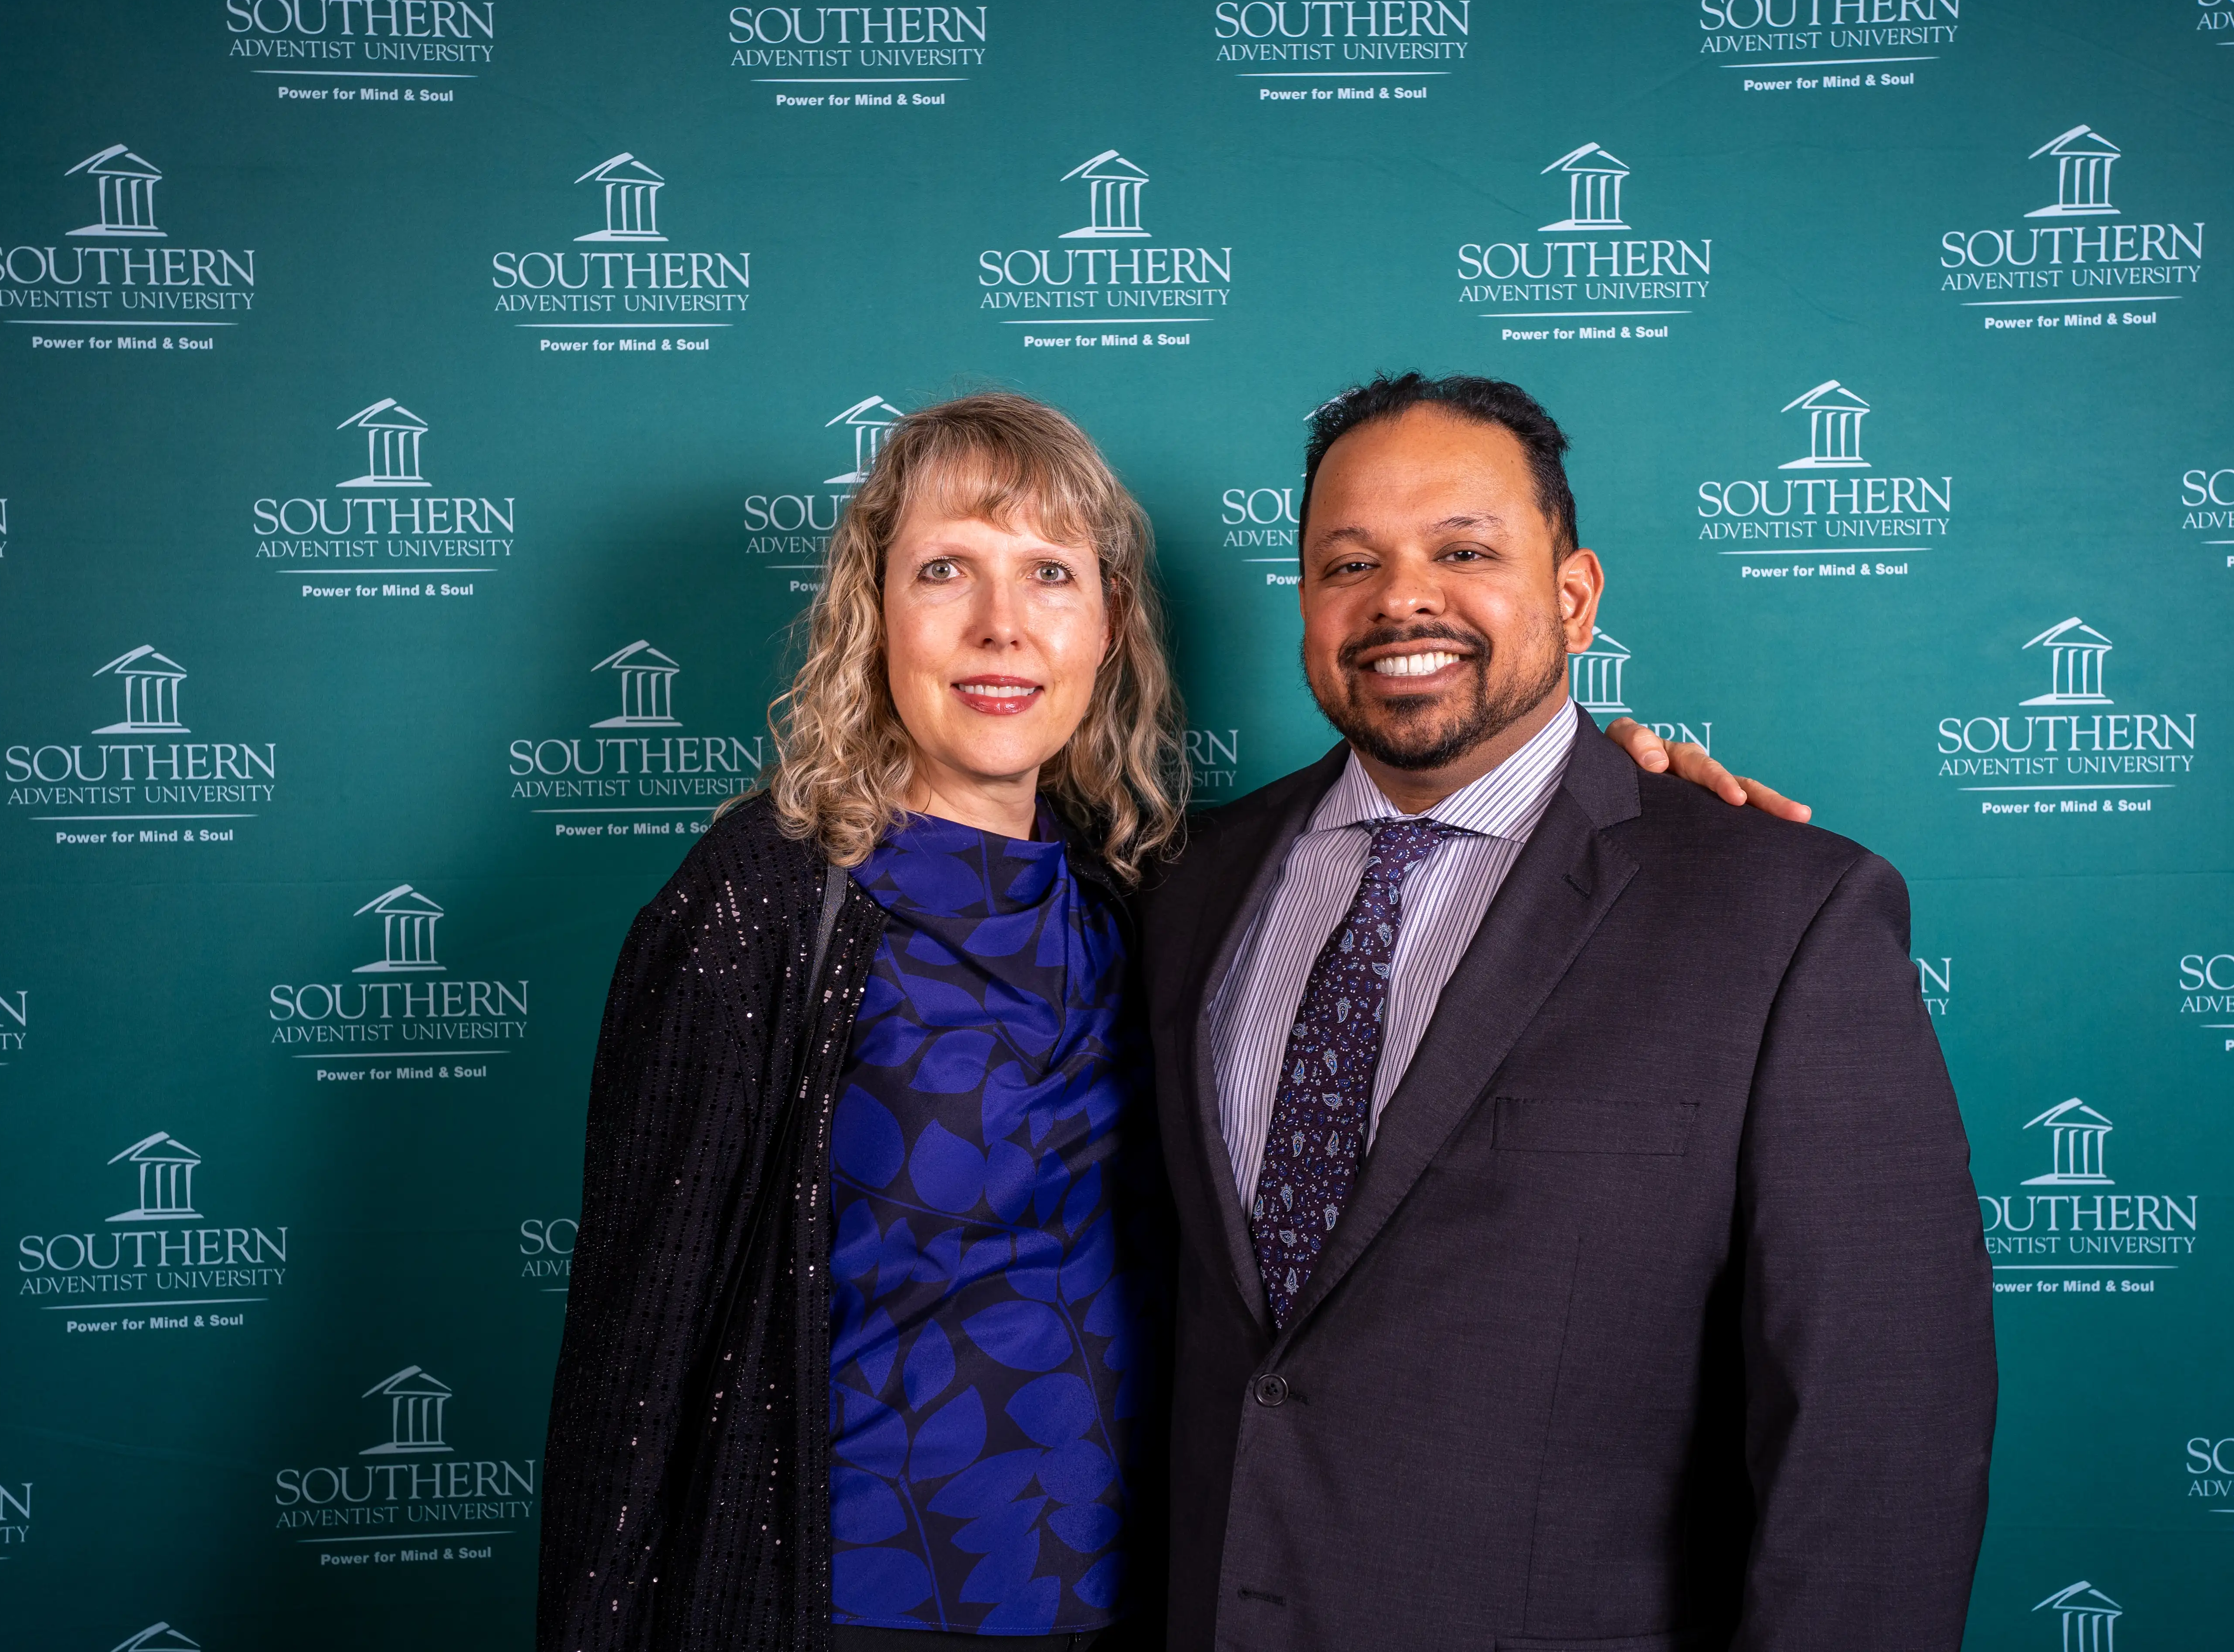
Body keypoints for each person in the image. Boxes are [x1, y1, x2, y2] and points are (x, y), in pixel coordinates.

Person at [536, 388, 1797, 1652]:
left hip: (1151, 1600)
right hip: (851, 1607)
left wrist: (1614, 772)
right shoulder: (759, 904)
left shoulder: (1146, 890)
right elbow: (631, 1353)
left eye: (1048, 575)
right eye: (944, 571)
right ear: (874, 618)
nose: (1000, 626)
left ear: (1108, 626)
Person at [1140, 374, 1996, 1652]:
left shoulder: (1778, 913)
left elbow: (1879, 1428)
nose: (1400, 599)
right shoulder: (1182, 884)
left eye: (1464, 551)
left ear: (1574, 596)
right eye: (1347, 562)